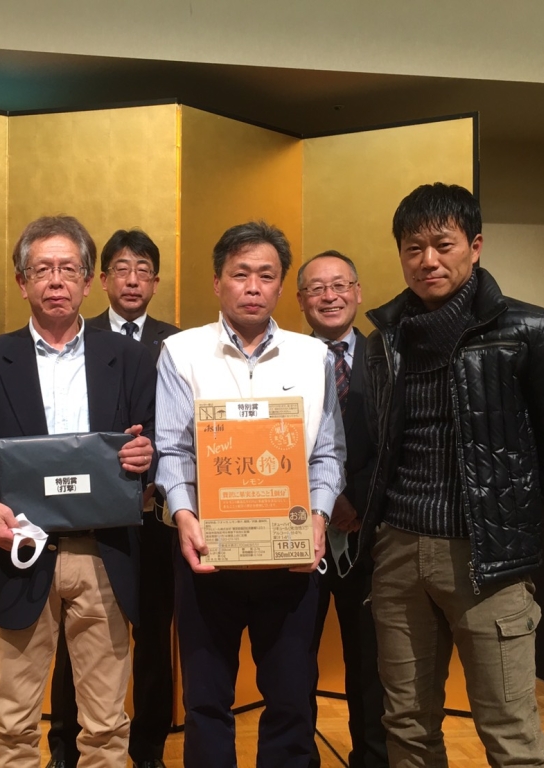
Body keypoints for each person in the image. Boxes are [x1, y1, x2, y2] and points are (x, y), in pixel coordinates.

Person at [360, 183, 544, 768]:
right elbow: (375, 444)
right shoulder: (383, 340)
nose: (428, 260)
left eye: (443, 245)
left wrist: (510, 520)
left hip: (487, 558)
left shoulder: (531, 328)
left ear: (476, 246)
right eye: (413, 248)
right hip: (398, 552)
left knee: (510, 732)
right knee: (406, 725)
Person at [0, 215, 157, 768]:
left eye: (68, 268)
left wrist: (146, 458)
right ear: (22, 282)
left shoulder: (129, 358)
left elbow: (155, 443)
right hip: (21, 552)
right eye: (42, 269)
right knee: (13, 721)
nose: (56, 280)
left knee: (106, 724)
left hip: (104, 556)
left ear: (87, 281)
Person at [155, 221, 345, 768]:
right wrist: (183, 515)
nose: (253, 286)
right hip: (207, 554)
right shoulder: (182, 352)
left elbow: (328, 453)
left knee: (291, 699)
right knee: (206, 701)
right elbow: (172, 448)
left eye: (266, 275)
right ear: (217, 282)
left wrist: (318, 517)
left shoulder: (313, 356)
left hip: (290, 558)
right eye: (241, 274)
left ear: (282, 285)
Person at [48, 228, 180, 768]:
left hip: (154, 517)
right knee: (74, 636)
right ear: (99, 280)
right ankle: (65, 744)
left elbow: (181, 429)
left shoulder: (177, 342)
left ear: (156, 281)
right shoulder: (75, 334)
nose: (132, 280)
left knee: (153, 632)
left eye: (143, 270)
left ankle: (148, 746)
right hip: (87, 519)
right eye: (121, 269)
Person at [296, 251, 387, 768]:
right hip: (299, 534)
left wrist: (355, 499)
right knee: (294, 663)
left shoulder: (388, 358)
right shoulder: (285, 360)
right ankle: (298, 757)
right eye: (316, 288)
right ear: (300, 300)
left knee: (371, 665)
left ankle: (371, 759)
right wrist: (327, 501)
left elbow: (400, 443)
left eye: (339, 285)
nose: (329, 296)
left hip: (371, 538)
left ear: (357, 292)